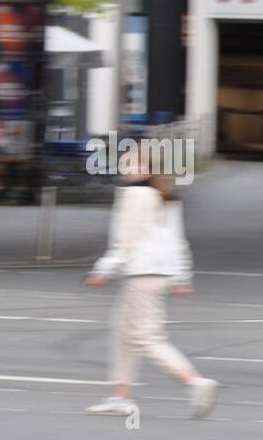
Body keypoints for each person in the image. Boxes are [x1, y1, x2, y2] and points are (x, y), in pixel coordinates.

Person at [84, 155, 219, 418]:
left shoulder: (133, 196)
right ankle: (120, 397)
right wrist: (182, 276)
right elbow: (178, 241)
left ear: (147, 170)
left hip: (141, 274)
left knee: (146, 338)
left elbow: (124, 243)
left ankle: (195, 382)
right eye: (126, 163)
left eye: (135, 165)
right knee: (123, 332)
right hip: (159, 274)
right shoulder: (165, 196)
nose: (128, 168)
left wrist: (103, 270)